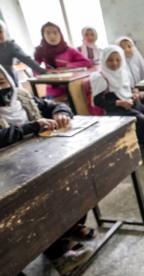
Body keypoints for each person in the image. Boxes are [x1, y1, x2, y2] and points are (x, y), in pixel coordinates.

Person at [0, 65, 95, 274]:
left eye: (2, 80)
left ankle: (69, 231)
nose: (2, 86)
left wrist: (61, 112)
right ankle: (59, 254)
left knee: (75, 181)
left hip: (38, 159)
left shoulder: (22, 97)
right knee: (40, 205)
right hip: (9, 173)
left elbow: (50, 105)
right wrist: (32, 126)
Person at [90, 45, 144, 148]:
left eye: (118, 60)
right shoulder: (101, 77)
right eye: (110, 60)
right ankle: (136, 146)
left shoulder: (123, 73)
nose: (114, 63)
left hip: (128, 102)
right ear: (104, 60)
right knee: (140, 119)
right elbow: (97, 101)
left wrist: (135, 94)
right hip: (114, 108)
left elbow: (129, 89)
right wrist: (119, 103)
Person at [34, 22, 92, 98]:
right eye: (48, 33)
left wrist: (68, 65)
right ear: (43, 35)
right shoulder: (40, 51)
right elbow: (34, 69)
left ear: (60, 34)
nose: (52, 36)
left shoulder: (69, 50)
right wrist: (44, 72)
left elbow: (87, 62)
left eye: (55, 33)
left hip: (71, 85)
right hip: (52, 88)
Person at [0, 19, 47, 86]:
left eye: (0, 32)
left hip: (9, 82)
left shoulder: (10, 45)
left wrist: (43, 71)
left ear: (4, 31)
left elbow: (27, 59)